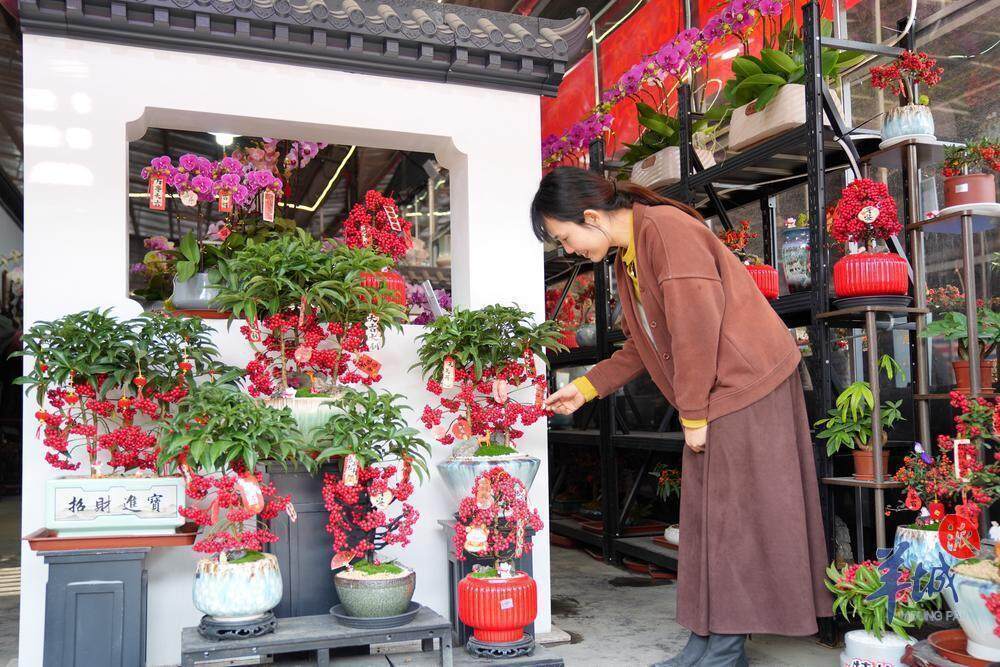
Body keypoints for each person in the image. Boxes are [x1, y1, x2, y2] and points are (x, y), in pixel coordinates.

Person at [533, 167, 832, 667]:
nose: (570, 251)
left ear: (590, 216)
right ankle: (708, 642)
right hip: (721, 389)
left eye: (566, 238)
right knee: (708, 520)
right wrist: (584, 388)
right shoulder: (632, 255)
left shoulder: (666, 232)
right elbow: (643, 346)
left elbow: (695, 331)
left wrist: (692, 412)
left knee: (732, 520)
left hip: (747, 385)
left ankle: (724, 650)